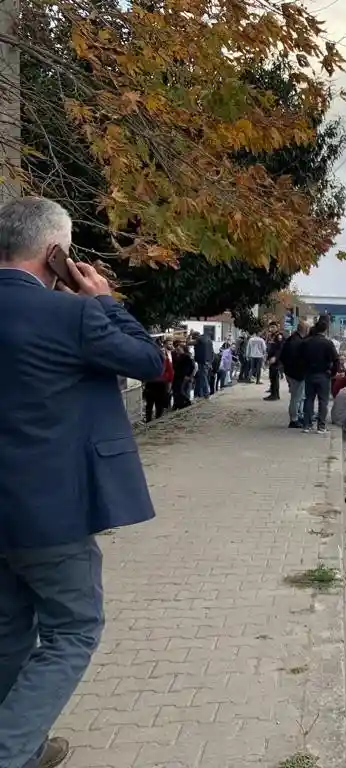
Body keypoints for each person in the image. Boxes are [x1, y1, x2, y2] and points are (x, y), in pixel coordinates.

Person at [0, 196, 165, 768]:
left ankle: (28, 741)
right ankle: (11, 750)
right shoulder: (74, 316)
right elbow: (149, 362)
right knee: (73, 631)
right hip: (53, 513)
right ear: (56, 254)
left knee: (9, 632)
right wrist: (106, 301)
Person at [300, 318, 340, 434]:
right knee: (323, 401)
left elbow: (300, 358)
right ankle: (321, 426)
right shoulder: (328, 343)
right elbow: (336, 359)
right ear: (325, 330)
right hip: (323, 375)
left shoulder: (307, 342)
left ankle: (307, 425)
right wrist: (332, 372)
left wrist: (304, 370)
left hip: (309, 375)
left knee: (309, 399)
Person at [280, 321, 309, 429]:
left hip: (290, 372)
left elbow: (283, 356)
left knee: (297, 397)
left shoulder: (291, 339)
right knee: (296, 398)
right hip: (297, 373)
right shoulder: (299, 342)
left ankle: (297, 416)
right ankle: (294, 419)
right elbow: (301, 359)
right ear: (305, 330)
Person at [143, 340, 174, 422]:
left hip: (156, 383)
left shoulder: (152, 359)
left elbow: (170, 372)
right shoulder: (164, 359)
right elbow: (170, 373)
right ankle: (155, 420)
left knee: (153, 404)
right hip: (157, 383)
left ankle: (151, 420)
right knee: (155, 404)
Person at [190, 330, 214, 399]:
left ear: (195, 336)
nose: (193, 339)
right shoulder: (208, 340)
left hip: (202, 362)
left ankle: (206, 393)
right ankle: (199, 394)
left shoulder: (199, 339)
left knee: (203, 378)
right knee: (201, 378)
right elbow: (212, 352)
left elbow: (188, 343)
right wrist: (210, 362)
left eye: (193, 337)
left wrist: (189, 336)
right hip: (208, 362)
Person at [172, 340, 195, 409]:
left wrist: (188, 375)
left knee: (180, 390)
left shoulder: (186, 357)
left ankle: (187, 401)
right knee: (177, 390)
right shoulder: (179, 356)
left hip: (182, 376)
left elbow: (191, 367)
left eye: (179, 349)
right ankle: (179, 404)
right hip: (177, 376)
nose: (177, 350)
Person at [265, 331, 284, 401]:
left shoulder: (278, 337)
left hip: (275, 363)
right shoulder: (273, 338)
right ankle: (275, 394)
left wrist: (275, 357)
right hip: (273, 361)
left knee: (274, 379)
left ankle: (274, 395)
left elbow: (279, 349)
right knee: (273, 379)